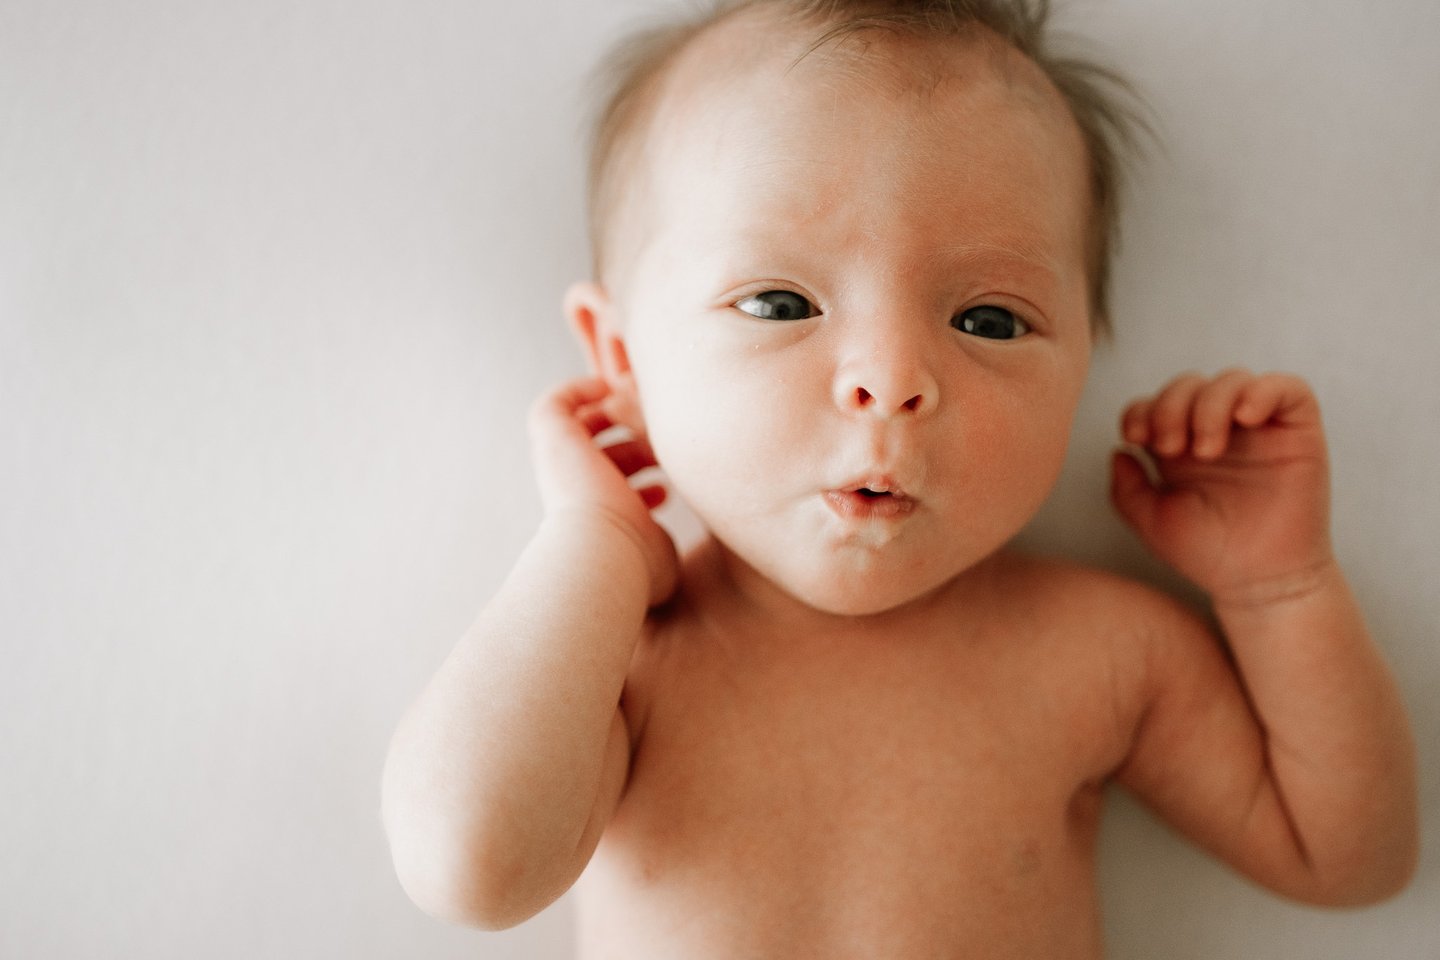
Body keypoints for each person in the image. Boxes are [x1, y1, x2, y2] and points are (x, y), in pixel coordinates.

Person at [381, 1, 1418, 956]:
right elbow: (472, 872)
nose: (892, 379)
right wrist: (594, 547)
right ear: (622, 362)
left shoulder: (1103, 652)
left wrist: (1279, 589)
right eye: (780, 304)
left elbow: (1346, 858)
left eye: (988, 320)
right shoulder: (624, 655)